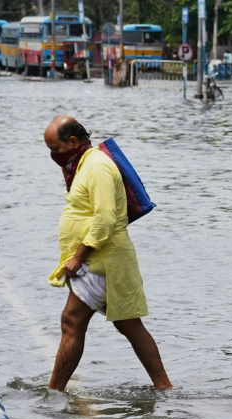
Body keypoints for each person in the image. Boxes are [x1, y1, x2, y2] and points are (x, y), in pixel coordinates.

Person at [42, 116, 173, 391]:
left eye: (55, 149)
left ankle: (54, 392)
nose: (52, 156)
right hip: (102, 259)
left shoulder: (98, 166)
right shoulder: (83, 165)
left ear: (73, 142)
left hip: (99, 260)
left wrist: (78, 256)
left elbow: (105, 219)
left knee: (71, 322)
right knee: (130, 326)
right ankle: (164, 388)